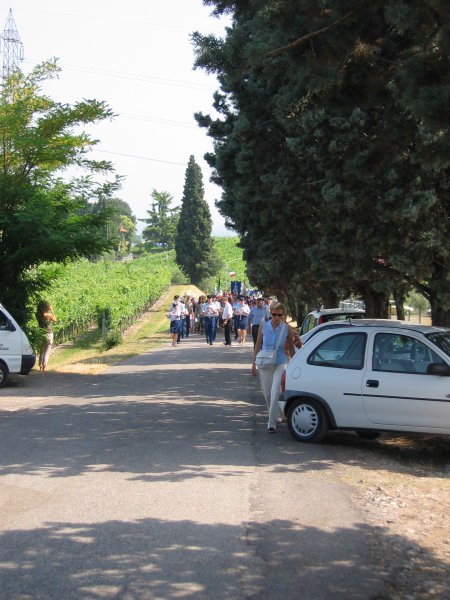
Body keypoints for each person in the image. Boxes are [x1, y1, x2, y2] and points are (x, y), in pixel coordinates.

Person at [251, 302, 295, 433]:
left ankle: (271, 424)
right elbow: (257, 345)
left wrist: (294, 364)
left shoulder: (287, 328)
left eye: (279, 315)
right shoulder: (264, 326)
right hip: (265, 362)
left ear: (283, 315)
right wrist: (253, 364)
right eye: (274, 314)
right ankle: (274, 415)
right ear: (271, 314)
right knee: (267, 394)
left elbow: (292, 348)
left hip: (281, 361)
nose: (277, 317)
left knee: (276, 391)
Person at [36, 300, 57, 371]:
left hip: (42, 333)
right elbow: (55, 320)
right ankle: (44, 367)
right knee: (47, 351)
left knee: (41, 350)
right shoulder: (49, 315)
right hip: (49, 333)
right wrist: (52, 310)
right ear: (47, 307)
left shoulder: (37, 314)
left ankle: (40, 366)